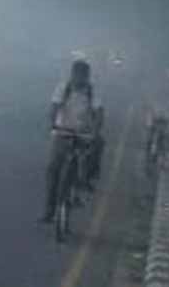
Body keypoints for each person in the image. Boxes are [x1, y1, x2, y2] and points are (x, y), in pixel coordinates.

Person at [40, 58, 104, 223]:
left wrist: (96, 131)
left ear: (87, 77)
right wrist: (53, 124)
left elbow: (99, 112)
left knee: (97, 146)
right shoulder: (63, 88)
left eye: (82, 76)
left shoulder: (92, 91)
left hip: (83, 133)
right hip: (63, 132)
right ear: (72, 74)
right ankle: (49, 210)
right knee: (53, 168)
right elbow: (54, 107)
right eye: (76, 75)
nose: (79, 79)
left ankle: (86, 180)